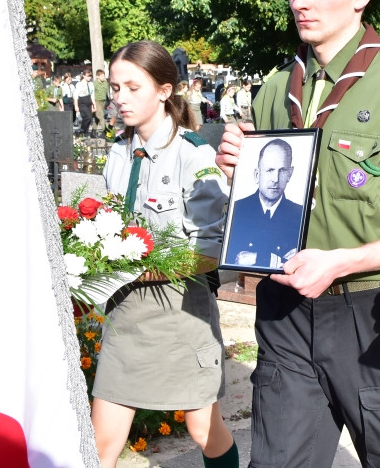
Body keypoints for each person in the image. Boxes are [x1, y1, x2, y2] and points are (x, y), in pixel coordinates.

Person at [215, 0, 380, 467]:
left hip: (372, 315)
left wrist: (343, 262)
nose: (300, 2)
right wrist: (239, 172)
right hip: (286, 312)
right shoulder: (276, 89)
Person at [94, 40, 238, 468]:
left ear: (163, 90)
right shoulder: (117, 154)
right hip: (125, 319)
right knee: (101, 443)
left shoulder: (195, 155)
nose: (120, 98)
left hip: (180, 315)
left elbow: (211, 252)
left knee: (204, 431)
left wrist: (145, 271)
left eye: (132, 88)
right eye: (115, 89)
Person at [229, 138, 304, 269]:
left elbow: (301, 264)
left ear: (290, 174)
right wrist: (278, 260)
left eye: (282, 171)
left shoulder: (301, 215)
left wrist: (257, 258)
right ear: (257, 174)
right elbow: (231, 258)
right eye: (270, 170)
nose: (275, 179)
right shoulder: (237, 210)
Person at [74, 69, 96, 136]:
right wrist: (76, 106)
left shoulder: (91, 84)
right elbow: (75, 95)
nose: (89, 77)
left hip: (89, 101)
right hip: (82, 101)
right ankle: (81, 131)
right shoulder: (80, 84)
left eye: (90, 76)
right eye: (87, 76)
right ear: (83, 76)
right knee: (87, 117)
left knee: (89, 119)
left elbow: (92, 95)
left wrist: (94, 105)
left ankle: (84, 132)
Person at [93, 68, 110, 134]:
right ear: (97, 76)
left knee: (98, 117)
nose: (103, 77)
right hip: (96, 101)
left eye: (104, 76)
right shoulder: (95, 83)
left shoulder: (105, 83)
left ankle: (93, 132)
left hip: (103, 101)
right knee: (101, 116)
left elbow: (107, 92)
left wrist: (108, 101)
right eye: (102, 76)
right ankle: (106, 132)